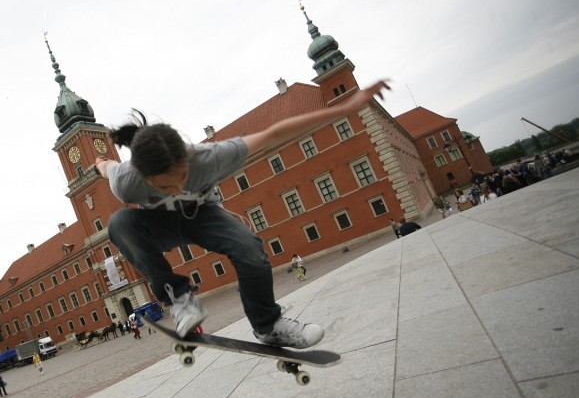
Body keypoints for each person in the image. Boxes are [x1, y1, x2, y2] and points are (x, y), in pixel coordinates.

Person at [94, 80, 391, 348]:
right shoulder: (126, 180)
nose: (175, 188)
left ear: (188, 158)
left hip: (204, 215)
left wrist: (347, 107)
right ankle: (179, 299)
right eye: (163, 186)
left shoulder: (211, 156)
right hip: (160, 225)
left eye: (182, 176)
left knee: (249, 247)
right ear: (141, 175)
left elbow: (274, 133)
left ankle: (268, 325)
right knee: (119, 223)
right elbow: (107, 168)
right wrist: (100, 163)